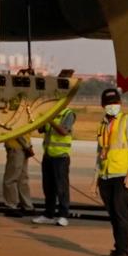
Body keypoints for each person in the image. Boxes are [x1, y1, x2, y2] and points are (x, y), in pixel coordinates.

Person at [93, 87, 128, 256]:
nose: (111, 106)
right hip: (105, 176)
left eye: (114, 103)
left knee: (121, 215)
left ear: (120, 104)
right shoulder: (102, 124)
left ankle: (124, 252)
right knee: (113, 216)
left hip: (121, 175)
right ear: (102, 106)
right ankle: (117, 248)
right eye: (108, 104)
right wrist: (95, 177)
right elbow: (100, 151)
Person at [31, 96, 77, 227]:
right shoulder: (51, 114)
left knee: (61, 187)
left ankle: (63, 215)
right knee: (48, 187)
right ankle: (48, 214)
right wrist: (39, 118)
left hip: (61, 157)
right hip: (48, 155)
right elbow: (41, 129)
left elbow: (63, 131)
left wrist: (49, 120)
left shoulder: (68, 114)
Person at [0, 100, 37, 217]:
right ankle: (11, 205)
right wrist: (27, 146)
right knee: (12, 178)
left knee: (22, 179)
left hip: (23, 148)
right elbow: (17, 130)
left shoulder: (24, 110)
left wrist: (28, 146)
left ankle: (26, 205)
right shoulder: (17, 111)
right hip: (16, 147)